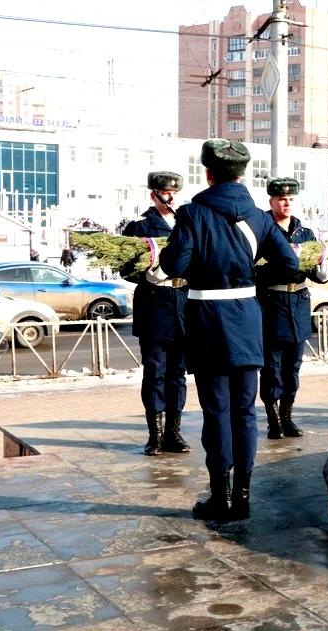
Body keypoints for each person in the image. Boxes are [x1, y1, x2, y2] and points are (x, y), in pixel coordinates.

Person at [159, 139, 298, 522]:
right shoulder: (258, 216)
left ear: (208, 173)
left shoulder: (193, 213)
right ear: (241, 174)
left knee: (216, 411)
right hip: (248, 319)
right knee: (245, 412)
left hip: (207, 320)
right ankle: (244, 497)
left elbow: (174, 264)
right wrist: (252, 276)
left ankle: (220, 497)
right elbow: (288, 264)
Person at [255, 177, 328, 439]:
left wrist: (323, 275)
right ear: (271, 201)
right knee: (271, 368)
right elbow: (251, 269)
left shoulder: (305, 233)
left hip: (299, 304)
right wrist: (278, 267)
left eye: (290, 199)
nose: (286, 203)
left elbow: (314, 269)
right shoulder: (261, 230)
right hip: (272, 305)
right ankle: (272, 419)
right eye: (280, 199)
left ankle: (287, 417)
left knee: (293, 367)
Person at [122, 171, 191, 457]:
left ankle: (174, 432)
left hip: (185, 306)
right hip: (154, 307)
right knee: (155, 373)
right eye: (164, 192)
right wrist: (146, 276)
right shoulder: (138, 228)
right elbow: (125, 268)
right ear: (153, 195)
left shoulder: (188, 226)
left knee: (178, 374)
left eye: (174, 192)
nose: (170, 197)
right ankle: (155, 435)